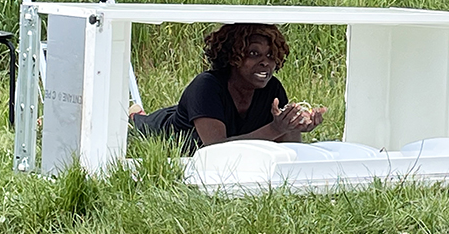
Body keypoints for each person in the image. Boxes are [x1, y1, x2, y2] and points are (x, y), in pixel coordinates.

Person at [130, 23, 324, 154]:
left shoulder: (272, 88)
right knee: (135, 125)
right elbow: (216, 149)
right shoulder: (206, 86)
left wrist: (295, 126)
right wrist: (275, 128)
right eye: (254, 53)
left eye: (271, 55)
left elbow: (288, 149)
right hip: (153, 131)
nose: (266, 62)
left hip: (201, 115)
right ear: (233, 56)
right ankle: (135, 115)